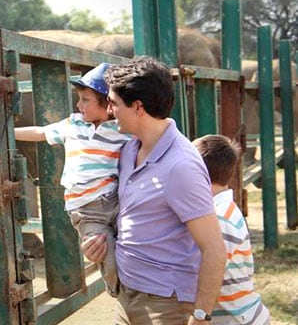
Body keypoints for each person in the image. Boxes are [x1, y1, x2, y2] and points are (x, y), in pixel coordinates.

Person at [82, 57, 227, 324]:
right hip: (127, 298)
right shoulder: (129, 150)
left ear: (138, 107)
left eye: (113, 103)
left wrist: (201, 314)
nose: (110, 111)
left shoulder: (180, 167)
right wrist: (101, 244)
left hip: (167, 305)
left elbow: (214, 249)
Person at [15, 62, 130, 297]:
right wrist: (9, 132)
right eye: (79, 99)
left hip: (117, 203)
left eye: (85, 100)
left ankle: (141, 292)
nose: (79, 105)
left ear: (109, 104)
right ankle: (123, 297)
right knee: (106, 256)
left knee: (133, 250)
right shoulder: (73, 124)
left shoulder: (122, 130)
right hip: (87, 210)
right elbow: (41, 132)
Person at [192, 134, 271, 325]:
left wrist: (200, 316)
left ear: (198, 172)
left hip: (235, 319)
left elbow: (211, 270)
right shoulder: (223, 208)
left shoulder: (217, 219)